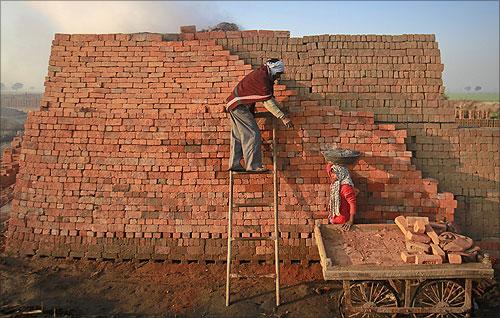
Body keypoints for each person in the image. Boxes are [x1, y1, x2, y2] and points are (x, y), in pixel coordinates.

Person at [225, 58, 294, 172]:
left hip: (234, 105)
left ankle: (234, 164)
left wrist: (281, 108)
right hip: (240, 106)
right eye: (278, 73)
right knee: (253, 134)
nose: (278, 77)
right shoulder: (262, 77)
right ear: (273, 70)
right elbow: (267, 102)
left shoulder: (263, 74)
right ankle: (253, 166)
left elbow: (268, 97)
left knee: (237, 136)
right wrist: (283, 117)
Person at [326, 163, 357, 231]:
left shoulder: (346, 187)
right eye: (331, 173)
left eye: (334, 173)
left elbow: (352, 204)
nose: (331, 175)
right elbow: (328, 168)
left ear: (341, 174)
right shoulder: (336, 184)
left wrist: (351, 221)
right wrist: (334, 161)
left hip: (342, 222)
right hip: (334, 220)